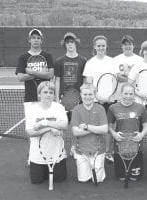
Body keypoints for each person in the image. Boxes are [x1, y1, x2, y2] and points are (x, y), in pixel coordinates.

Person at [83, 35, 118, 163]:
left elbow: (115, 81)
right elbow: (89, 83)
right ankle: (95, 151)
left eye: (103, 45)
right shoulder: (90, 63)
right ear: (95, 47)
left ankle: (108, 152)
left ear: (106, 46)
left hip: (111, 101)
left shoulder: (112, 61)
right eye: (98, 45)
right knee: (95, 128)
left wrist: (110, 97)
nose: (101, 48)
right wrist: (98, 97)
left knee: (109, 127)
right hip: (96, 101)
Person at [25, 81, 68, 184]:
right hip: (37, 156)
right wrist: (50, 128)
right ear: (39, 94)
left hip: (57, 155)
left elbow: (64, 125)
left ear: (54, 95)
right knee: (37, 181)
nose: (48, 94)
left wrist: (43, 123)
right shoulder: (32, 110)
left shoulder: (59, 108)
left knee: (59, 180)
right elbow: (30, 132)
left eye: (51, 92)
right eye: (45, 92)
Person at [107, 83, 147, 182]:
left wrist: (141, 135)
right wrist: (114, 134)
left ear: (134, 94)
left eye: (131, 94)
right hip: (120, 146)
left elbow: (146, 126)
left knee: (134, 178)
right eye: (126, 93)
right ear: (121, 94)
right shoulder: (113, 108)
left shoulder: (140, 107)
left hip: (136, 146)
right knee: (121, 178)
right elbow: (109, 126)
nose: (128, 96)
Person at [71, 83, 108, 183]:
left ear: (94, 95)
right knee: (83, 180)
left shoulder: (100, 109)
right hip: (81, 150)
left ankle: (99, 166)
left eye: (90, 94)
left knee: (98, 180)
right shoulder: (76, 110)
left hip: (98, 149)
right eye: (85, 94)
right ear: (81, 95)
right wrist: (95, 128)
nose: (87, 97)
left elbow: (104, 129)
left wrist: (87, 127)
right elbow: (75, 132)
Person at [54, 32, 87, 121]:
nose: (70, 44)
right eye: (67, 42)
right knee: (61, 125)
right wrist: (57, 100)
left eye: (72, 42)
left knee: (79, 125)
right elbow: (57, 80)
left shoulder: (83, 61)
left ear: (76, 43)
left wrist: (83, 97)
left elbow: (85, 81)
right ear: (65, 45)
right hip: (62, 99)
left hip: (79, 100)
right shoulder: (59, 61)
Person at [16, 28, 54, 102]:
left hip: (46, 98)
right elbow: (20, 77)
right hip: (29, 98)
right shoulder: (23, 57)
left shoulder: (48, 56)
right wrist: (42, 73)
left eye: (38, 38)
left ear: (41, 41)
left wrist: (32, 72)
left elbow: (50, 75)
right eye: (33, 38)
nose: (36, 40)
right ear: (29, 40)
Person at [114, 35, 142, 101]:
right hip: (120, 96)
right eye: (125, 44)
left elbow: (139, 78)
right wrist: (132, 78)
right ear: (122, 46)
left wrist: (124, 74)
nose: (127, 46)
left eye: (129, 44)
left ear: (134, 45)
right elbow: (118, 78)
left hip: (136, 96)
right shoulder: (116, 59)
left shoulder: (140, 60)